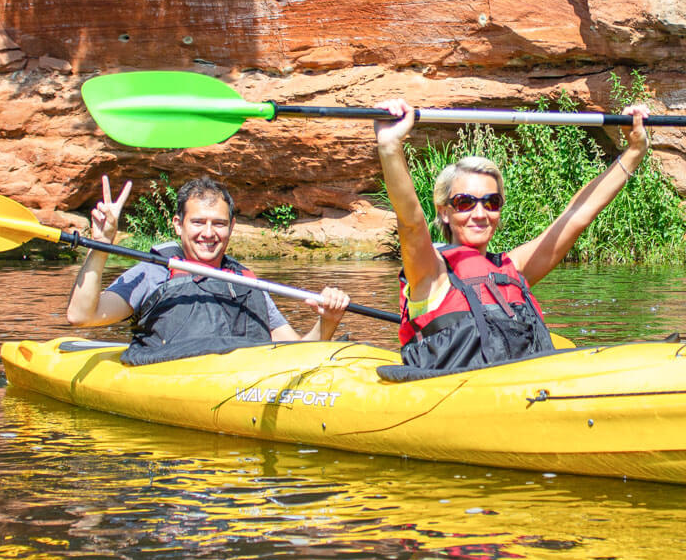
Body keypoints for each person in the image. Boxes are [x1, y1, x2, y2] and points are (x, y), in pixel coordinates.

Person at [373, 98, 651, 371]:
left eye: (491, 202)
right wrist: (389, 146)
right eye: (465, 203)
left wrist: (635, 151)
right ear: (444, 211)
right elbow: (410, 221)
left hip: (527, 393)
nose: (480, 214)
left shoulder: (513, 268)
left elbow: (578, 215)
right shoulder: (430, 273)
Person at [66, 174, 351, 365]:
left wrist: (327, 321)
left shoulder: (247, 282)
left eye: (218, 223)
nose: (208, 233)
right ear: (178, 224)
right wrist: (101, 244)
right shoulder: (153, 273)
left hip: (242, 385)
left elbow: (296, 354)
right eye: (198, 222)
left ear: (232, 227)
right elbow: (81, 316)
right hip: (173, 382)